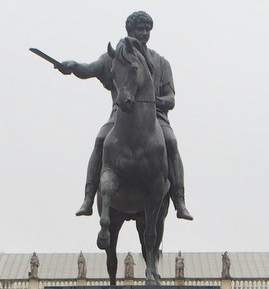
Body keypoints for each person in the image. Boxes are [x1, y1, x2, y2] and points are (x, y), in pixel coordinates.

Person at [56, 11, 191, 221]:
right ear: (129, 31)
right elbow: (88, 69)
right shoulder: (114, 57)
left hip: (155, 118)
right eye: (140, 29)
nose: (144, 33)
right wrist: (73, 66)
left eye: (147, 30)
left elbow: (171, 99)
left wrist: (154, 101)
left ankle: (179, 200)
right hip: (120, 116)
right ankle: (88, 198)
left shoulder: (161, 63)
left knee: (171, 142)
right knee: (100, 140)